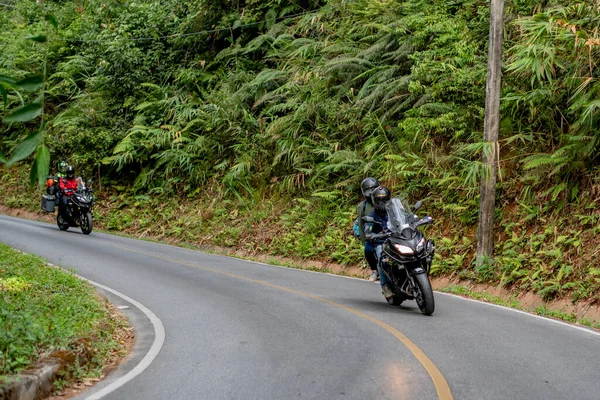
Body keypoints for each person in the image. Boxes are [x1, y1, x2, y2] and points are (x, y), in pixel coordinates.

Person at [364, 185, 394, 299]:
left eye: (385, 200)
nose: (383, 203)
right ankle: (385, 285)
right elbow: (368, 227)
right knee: (382, 257)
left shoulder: (394, 211)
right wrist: (369, 232)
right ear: (375, 201)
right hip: (381, 243)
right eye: (379, 201)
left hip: (396, 239)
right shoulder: (372, 215)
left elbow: (404, 218)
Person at [355, 177, 380, 281]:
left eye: (373, 189)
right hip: (373, 234)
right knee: (368, 250)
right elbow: (361, 224)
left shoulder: (385, 199)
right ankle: (374, 270)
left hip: (389, 231)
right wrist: (365, 239)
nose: (371, 193)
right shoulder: (362, 207)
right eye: (368, 190)